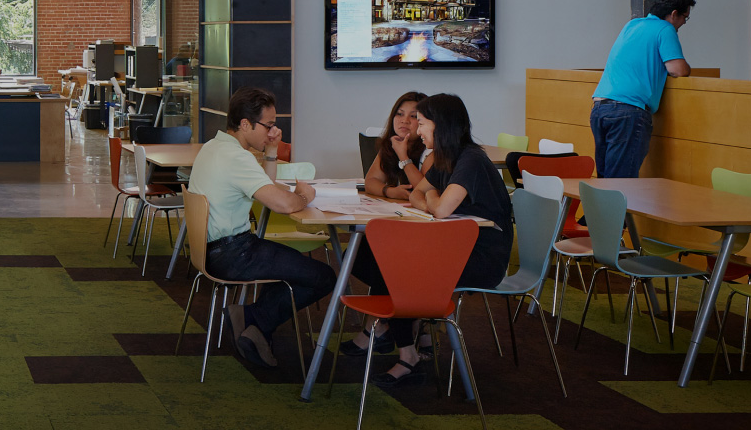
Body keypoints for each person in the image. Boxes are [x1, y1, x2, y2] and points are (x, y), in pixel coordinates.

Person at [344, 92, 513, 388]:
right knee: (374, 257)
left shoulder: (471, 159)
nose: (417, 130)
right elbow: (418, 194)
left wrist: (431, 198)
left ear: (441, 125)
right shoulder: (447, 158)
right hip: (453, 247)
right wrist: (431, 198)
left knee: (394, 267)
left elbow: (440, 207)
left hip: (482, 258)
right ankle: (406, 346)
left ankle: (403, 349)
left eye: (421, 123)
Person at [184, 86, 333, 372]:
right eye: (269, 125)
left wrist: (272, 151)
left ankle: (254, 326)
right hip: (234, 253)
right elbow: (282, 204)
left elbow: (263, 187)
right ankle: (253, 320)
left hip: (214, 249)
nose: (273, 131)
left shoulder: (215, 147)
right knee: (323, 276)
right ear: (245, 124)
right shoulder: (236, 158)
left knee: (288, 269)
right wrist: (305, 196)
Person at [592, 0, 695, 179]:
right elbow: (677, 69)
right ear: (674, 14)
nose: (683, 23)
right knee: (622, 185)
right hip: (628, 111)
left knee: (605, 182)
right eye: (684, 18)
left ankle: (602, 211)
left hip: (600, 108)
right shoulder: (665, 28)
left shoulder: (632, 25)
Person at [362, 91, 428, 202]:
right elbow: (370, 182)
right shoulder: (391, 144)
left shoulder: (430, 150)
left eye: (413, 116)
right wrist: (390, 191)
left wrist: (403, 156)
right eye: (400, 114)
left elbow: (425, 190)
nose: (404, 120)